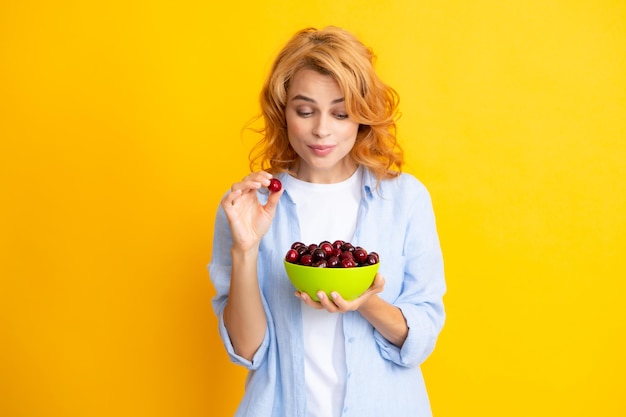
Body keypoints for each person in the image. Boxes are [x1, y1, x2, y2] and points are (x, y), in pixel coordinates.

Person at [209, 26, 446, 417]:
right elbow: (247, 351)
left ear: (363, 116)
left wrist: (364, 302)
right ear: (282, 111)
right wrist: (245, 251)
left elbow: (419, 339)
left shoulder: (405, 199)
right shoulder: (247, 206)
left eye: (340, 113)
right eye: (305, 111)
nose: (322, 129)